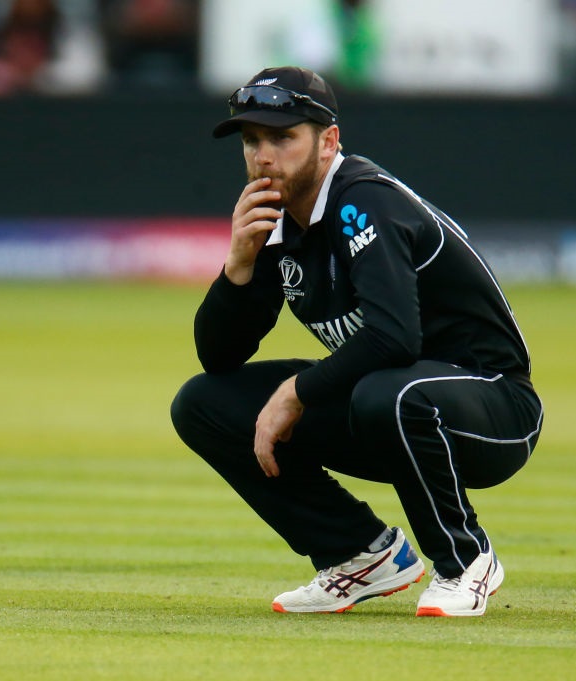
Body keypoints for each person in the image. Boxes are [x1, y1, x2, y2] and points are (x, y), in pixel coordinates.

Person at [170, 66, 544, 617]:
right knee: (203, 404)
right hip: (386, 402)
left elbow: (394, 338)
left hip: (493, 408)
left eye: (282, 137)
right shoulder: (275, 218)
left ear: (328, 142)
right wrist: (238, 266)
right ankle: (359, 554)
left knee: (389, 392)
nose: (263, 156)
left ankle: (465, 561)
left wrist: (297, 391)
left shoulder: (363, 201)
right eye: (252, 141)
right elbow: (219, 358)